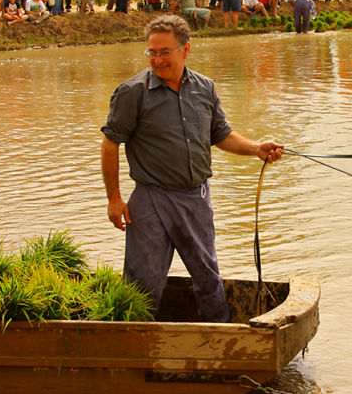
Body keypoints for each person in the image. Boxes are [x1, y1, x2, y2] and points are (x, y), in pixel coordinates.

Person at [100, 16, 284, 321]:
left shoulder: (204, 88)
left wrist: (255, 149)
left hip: (195, 198)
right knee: (142, 282)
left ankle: (222, 341)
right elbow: (110, 144)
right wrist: (114, 199)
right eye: (152, 53)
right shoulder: (132, 92)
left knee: (208, 277)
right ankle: (135, 349)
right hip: (150, 199)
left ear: (186, 49)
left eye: (165, 52)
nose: (157, 60)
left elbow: (220, 135)